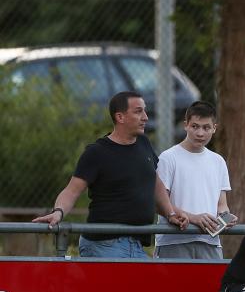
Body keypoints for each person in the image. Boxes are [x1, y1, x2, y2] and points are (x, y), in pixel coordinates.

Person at [33, 91, 188, 257]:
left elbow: (155, 182)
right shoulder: (97, 152)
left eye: (144, 110)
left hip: (136, 244)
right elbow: (71, 191)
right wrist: (58, 212)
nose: (145, 117)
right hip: (105, 244)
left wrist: (170, 213)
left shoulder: (143, 143)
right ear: (120, 117)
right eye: (138, 111)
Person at [155, 101, 234, 259]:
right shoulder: (168, 158)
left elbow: (222, 204)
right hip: (173, 241)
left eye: (206, 128)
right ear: (186, 125)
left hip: (210, 242)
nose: (200, 133)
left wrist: (225, 218)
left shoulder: (218, 161)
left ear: (214, 128)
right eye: (195, 126)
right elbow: (160, 203)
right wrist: (194, 218)